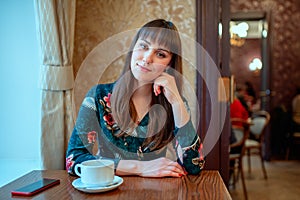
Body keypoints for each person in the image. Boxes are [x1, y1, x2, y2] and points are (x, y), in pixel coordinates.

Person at [66, 19, 205, 178]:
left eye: (160, 54)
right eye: (144, 46)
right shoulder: (98, 96)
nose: (147, 58)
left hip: (154, 192)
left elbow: (194, 166)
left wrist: (176, 101)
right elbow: (74, 160)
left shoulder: (174, 104)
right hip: (107, 189)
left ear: (169, 64)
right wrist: (140, 167)